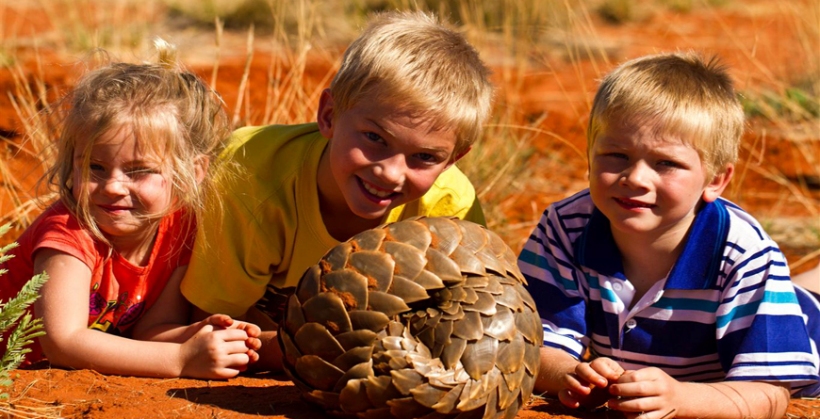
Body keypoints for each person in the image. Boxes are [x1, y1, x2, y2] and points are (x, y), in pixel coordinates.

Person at [180, 10, 494, 371]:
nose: (390, 173)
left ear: (454, 159)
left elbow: (468, 332)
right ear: (329, 114)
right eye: (375, 138)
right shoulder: (252, 173)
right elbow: (210, 326)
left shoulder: (450, 206)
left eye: (424, 157)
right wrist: (329, 350)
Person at [518, 52, 820, 419]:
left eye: (666, 163)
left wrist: (682, 398)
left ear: (715, 180)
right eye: (616, 154)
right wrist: (570, 373)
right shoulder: (566, 227)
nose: (635, 179)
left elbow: (770, 394)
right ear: (589, 155)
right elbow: (532, 345)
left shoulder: (743, 250)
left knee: (807, 301)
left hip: (801, 330)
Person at [0, 40, 261, 379]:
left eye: (138, 170)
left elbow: (152, 330)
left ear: (193, 173)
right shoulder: (68, 233)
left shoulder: (180, 229)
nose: (112, 186)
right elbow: (62, 341)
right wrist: (180, 360)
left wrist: (197, 337)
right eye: (95, 167)